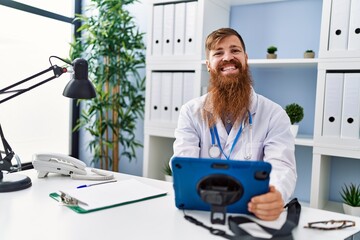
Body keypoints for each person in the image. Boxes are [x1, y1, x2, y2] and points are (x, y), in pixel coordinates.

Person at [171, 28, 297, 221]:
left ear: (245, 58)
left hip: (253, 214)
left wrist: (276, 193)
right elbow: (185, 163)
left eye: (235, 50)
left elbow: (282, 165)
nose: (227, 57)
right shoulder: (191, 111)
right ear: (208, 64)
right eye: (218, 53)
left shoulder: (274, 114)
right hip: (203, 211)